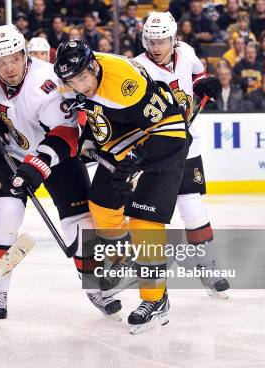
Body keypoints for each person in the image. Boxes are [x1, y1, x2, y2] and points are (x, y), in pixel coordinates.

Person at [0, 25, 120, 325]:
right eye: (1, 62)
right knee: (5, 216)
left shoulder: (48, 82)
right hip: (10, 153)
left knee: (81, 223)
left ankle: (94, 286)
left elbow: (66, 134)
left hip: (58, 157)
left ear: (25, 54)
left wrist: (36, 167)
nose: (8, 67)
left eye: (14, 58)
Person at [54, 38, 190, 333]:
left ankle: (155, 298)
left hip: (165, 140)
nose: (80, 85)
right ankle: (123, 256)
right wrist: (91, 140)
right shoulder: (83, 76)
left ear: (93, 66)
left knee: (145, 220)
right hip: (125, 140)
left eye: (82, 78)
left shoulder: (124, 83)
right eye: (72, 81)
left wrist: (133, 163)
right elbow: (99, 113)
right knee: (101, 203)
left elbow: (165, 125)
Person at [133, 11, 229, 297]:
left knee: (192, 207)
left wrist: (206, 83)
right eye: (151, 40)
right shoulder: (137, 68)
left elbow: (199, 75)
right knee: (146, 218)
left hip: (188, 145)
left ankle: (208, 266)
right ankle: (146, 278)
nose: (157, 46)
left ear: (173, 39)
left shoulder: (185, 52)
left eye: (162, 40)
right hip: (156, 151)